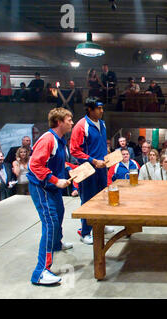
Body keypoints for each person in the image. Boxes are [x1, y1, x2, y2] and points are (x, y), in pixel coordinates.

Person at [27, 107, 74, 285]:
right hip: (42, 188)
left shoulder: (60, 140)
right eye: (69, 119)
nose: (72, 122)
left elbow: (59, 161)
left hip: (52, 187)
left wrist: (70, 170)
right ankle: (40, 272)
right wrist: (55, 180)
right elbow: (35, 165)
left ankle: (56, 244)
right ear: (59, 122)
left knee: (59, 213)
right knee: (51, 223)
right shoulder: (48, 139)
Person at [70, 97, 113, 245]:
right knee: (87, 200)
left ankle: (100, 226)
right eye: (99, 108)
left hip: (102, 168)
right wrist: (93, 160)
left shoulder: (102, 124)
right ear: (90, 109)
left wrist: (106, 156)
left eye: (102, 108)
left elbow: (99, 145)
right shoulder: (81, 126)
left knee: (102, 198)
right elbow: (74, 150)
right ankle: (85, 232)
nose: (102, 111)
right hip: (87, 170)